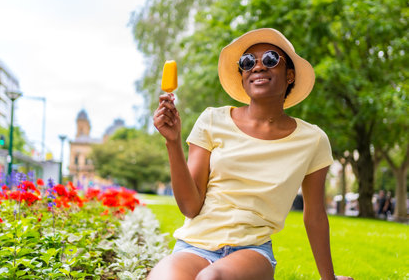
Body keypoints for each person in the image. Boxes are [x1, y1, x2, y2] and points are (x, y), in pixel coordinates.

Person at [149, 28, 353, 280]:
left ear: (290, 75)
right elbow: (190, 207)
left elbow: (315, 216)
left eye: (269, 59)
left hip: (252, 251)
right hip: (193, 247)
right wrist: (172, 142)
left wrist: (328, 278)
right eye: (247, 63)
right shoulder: (212, 120)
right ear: (243, 76)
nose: (257, 67)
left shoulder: (312, 140)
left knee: (210, 278)